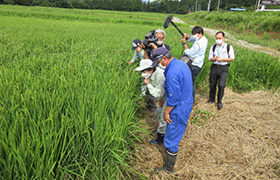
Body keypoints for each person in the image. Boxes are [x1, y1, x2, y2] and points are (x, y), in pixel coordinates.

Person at [152, 47, 193, 173]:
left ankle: (169, 168)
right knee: (173, 131)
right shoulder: (181, 63)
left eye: (159, 62)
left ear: (164, 58)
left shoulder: (172, 73)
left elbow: (174, 97)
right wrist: (164, 99)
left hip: (179, 107)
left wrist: (166, 111)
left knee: (172, 137)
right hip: (186, 101)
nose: (159, 65)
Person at [135, 59, 167, 144]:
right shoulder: (150, 74)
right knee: (159, 112)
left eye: (144, 71)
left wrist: (148, 84)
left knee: (164, 116)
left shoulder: (159, 75)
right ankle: (160, 129)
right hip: (163, 94)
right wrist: (161, 99)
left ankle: (161, 138)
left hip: (170, 96)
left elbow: (159, 92)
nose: (143, 73)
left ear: (151, 69)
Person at [208, 31, 235, 110]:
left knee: (221, 85)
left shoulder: (228, 47)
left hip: (224, 68)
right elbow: (210, 58)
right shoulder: (213, 47)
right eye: (216, 38)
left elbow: (232, 58)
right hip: (215, 66)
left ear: (223, 38)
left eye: (219, 38)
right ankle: (211, 99)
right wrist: (215, 59)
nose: (218, 40)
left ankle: (219, 101)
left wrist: (223, 60)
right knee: (212, 84)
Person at [181, 26, 208, 102]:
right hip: (198, 64)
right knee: (191, 82)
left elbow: (189, 53)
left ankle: (191, 100)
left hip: (194, 65)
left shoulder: (199, 44)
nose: (194, 36)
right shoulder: (204, 39)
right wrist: (188, 36)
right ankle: (190, 98)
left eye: (195, 34)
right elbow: (192, 38)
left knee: (190, 83)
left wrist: (184, 43)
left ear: (200, 34)